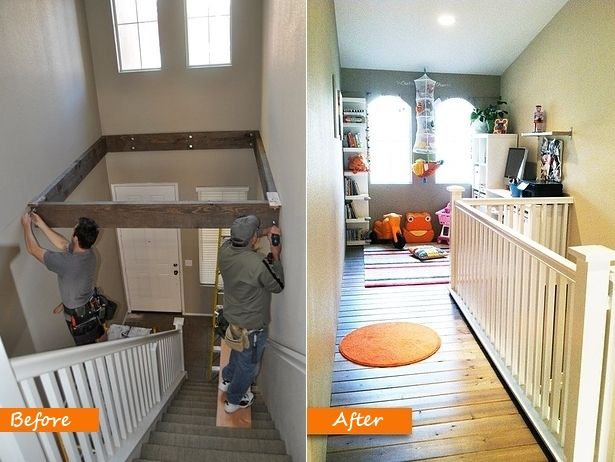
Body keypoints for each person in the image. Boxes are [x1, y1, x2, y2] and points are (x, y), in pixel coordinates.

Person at [218, 215, 284, 413]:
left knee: (238, 350)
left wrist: (263, 233)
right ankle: (234, 401)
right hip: (252, 326)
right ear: (253, 239)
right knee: (248, 367)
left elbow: (237, 240)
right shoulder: (257, 263)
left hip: (232, 319)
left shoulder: (225, 250)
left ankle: (227, 379)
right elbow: (278, 285)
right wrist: (276, 253)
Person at [21, 212, 104, 345]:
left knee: (86, 346)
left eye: (73, 230)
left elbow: (33, 249)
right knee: (98, 334)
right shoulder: (90, 253)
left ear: (76, 238)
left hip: (79, 316)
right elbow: (63, 244)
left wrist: (26, 225)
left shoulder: (67, 263)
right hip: (90, 303)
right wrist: (41, 224)